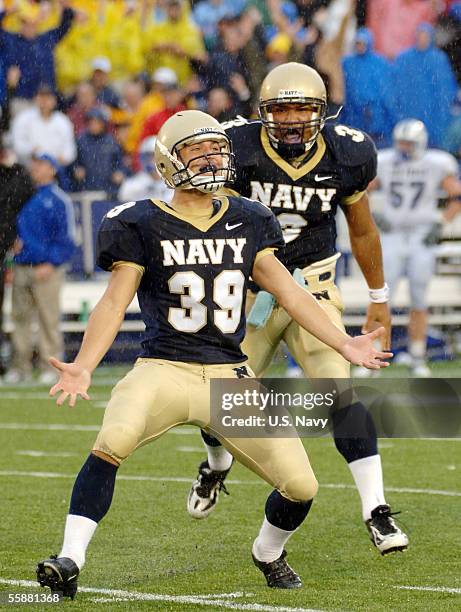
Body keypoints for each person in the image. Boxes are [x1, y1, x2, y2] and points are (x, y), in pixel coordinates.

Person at [35, 110, 391, 599]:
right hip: (163, 368)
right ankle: (70, 558)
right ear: (167, 162)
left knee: (301, 486)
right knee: (111, 440)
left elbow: (290, 293)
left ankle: (267, 552)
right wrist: (83, 365)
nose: (211, 158)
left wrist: (344, 341)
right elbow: (114, 302)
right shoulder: (139, 221)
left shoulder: (250, 217)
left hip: (231, 376)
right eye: (195, 150)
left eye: (216, 148)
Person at [186, 62, 409, 556]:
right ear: (263, 112)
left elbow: (363, 229)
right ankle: (217, 465)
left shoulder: (347, 152)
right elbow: (202, 216)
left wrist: (379, 299)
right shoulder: (235, 147)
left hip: (315, 289)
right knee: (216, 399)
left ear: (322, 111)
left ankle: (376, 509)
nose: (290, 119)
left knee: (339, 394)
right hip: (249, 294)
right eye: (281, 109)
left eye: (302, 108)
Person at [370, 119, 461, 377]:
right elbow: (358, 192)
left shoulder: (436, 163)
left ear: (420, 142)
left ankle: (418, 356)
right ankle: (375, 355)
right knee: (380, 297)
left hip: (421, 236)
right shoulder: (385, 161)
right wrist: (375, 214)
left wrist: (441, 225)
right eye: (401, 142)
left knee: (419, 298)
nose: (404, 147)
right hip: (393, 236)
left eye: (409, 142)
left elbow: (457, 196)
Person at [4, 154, 75, 385]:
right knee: (20, 318)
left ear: (52, 169)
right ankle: (20, 366)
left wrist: (51, 262)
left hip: (46, 268)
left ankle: (50, 366)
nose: (35, 168)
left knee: (48, 319)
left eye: (41, 164)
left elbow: (67, 238)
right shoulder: (26, 193)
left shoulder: (57, 199)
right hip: (22, 265)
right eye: (34, 164)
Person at [117, 136, 173, 202]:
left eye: (158, 156)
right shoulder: (131, 185)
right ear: (143, 158)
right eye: (150, 156)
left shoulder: (174, 186)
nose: (153, 161)